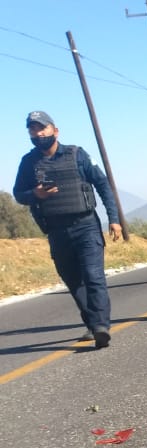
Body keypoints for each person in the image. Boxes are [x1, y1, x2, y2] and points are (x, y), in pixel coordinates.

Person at [13, 110, 122, 349]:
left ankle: (101, 326)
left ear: (55, 130)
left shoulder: (77, 155)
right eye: (33, 129)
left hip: (86, 226)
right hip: (56, 231)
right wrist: (35, 194)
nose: (38, 133)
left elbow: (103, 185)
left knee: (94, 277)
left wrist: (114, 219)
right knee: (73, 281)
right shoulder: (28, 163)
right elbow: (18, 194)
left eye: (42, 128)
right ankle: (93, 323)